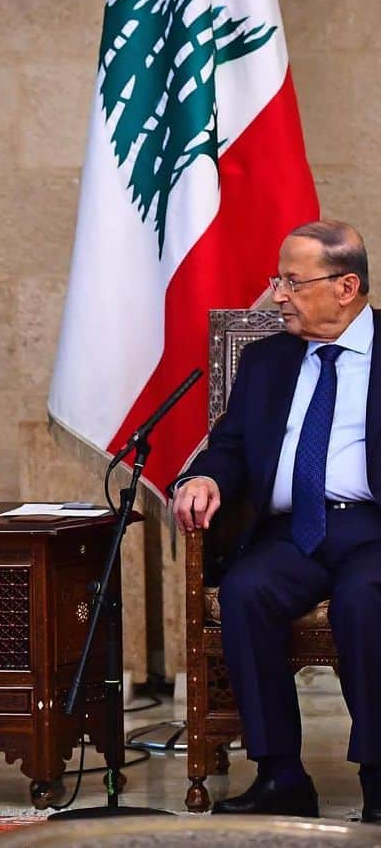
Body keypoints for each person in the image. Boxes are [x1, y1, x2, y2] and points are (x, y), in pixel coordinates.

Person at [173, 219, 381, 822]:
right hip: (290, 533)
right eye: (278, 279)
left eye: (292, 281)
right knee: (244, 591)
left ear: (346, 287)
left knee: (365, 601)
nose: (279, 295)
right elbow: (230, 446)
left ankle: (378, 775)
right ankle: (280, 774)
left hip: (370, 531)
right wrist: (205, 477)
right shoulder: (269, 360)